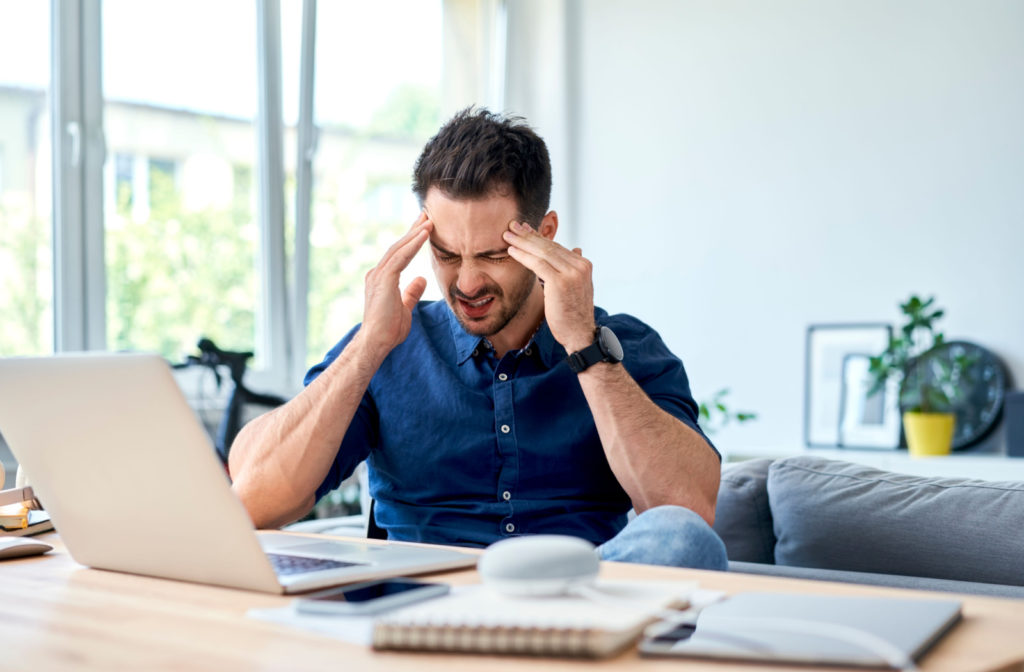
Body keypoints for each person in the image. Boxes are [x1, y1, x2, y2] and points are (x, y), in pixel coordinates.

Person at [229, 108, 727, 569]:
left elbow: (686, 511)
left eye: (492, 256)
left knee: (685, 540)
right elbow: (252, 498)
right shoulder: (391, 342)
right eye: (447, 254)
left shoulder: (624, 345)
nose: (467, 284)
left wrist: (584, 344)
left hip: (575, 603)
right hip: (420, 604)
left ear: (545, 234)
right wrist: (367, 350)